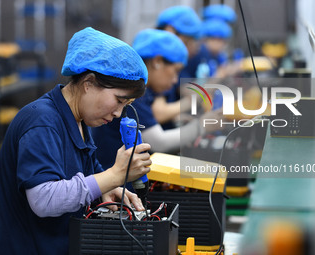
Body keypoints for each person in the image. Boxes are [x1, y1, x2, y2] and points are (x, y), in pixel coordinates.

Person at [0, 27, 152, 255]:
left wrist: (108, 189)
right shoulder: (42, 122)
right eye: (118, 100)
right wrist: (114, 175)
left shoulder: (78, 120)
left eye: (125, 106)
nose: (118, 113)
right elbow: (43, 199)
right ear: (89, 82)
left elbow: (85, 172)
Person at [92, 29, 222, 173]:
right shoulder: (133, 93)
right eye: (175, 71)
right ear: (158, 61)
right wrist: (201, 126)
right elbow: (159, 142)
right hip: (117, 184)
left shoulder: (146, 90)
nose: (174, 80)